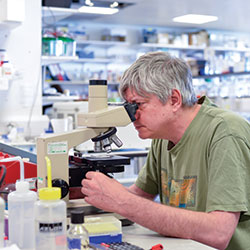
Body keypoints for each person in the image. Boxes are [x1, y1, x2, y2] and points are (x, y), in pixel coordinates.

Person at [81, 51, 250, 250]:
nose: (131, 116)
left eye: (138, 105)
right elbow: (139, 197)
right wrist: (90, 193)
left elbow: (219, 232)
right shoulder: (162, 137)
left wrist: (122, 201)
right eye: (128, 107)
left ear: (174, 100)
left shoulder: (225, 132)